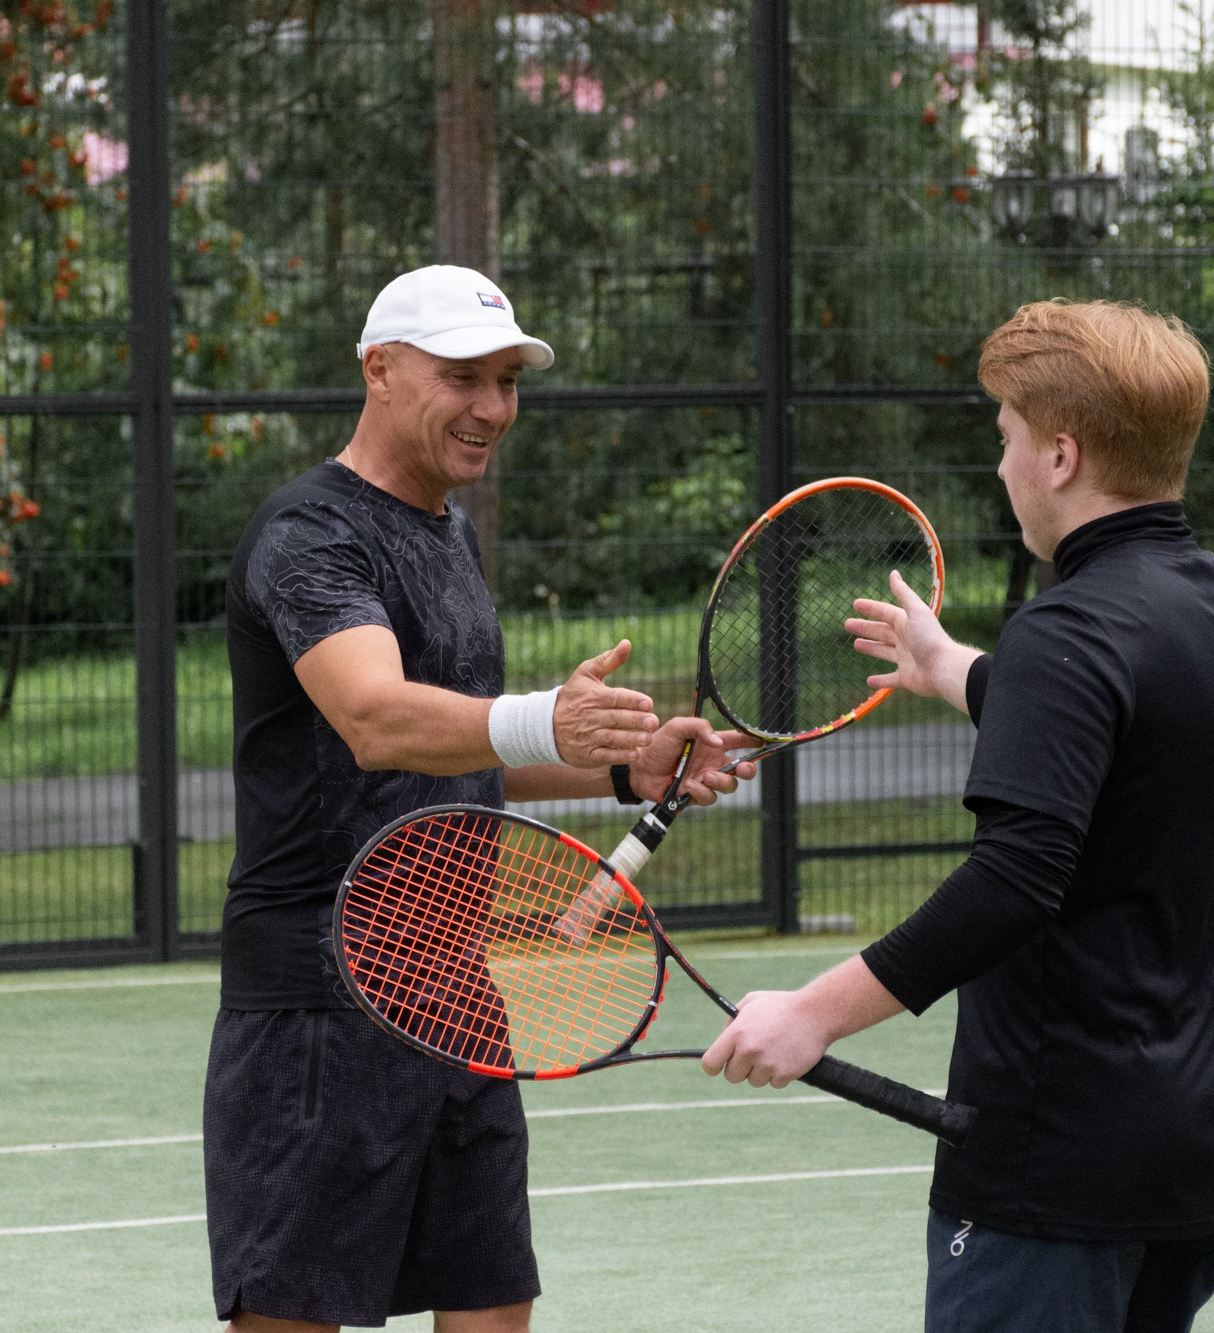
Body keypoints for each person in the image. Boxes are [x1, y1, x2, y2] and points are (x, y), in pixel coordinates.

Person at [701, 298, 1214, 1333]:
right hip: (1202, 1142)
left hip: (1053, 1155)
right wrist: (956, 668)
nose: (1002, 462)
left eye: (1006, 437)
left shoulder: (1063, 633)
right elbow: (1125, 732)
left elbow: (1014, 879)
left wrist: (811, 1012)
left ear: (1059, 455)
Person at [207, 264, 752, 1333]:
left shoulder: (447, 531)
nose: (492, 408)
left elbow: (459, 747)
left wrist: (620, 768)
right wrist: (546, 717)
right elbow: (374, 719)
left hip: (456, 992)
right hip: (320, 1001)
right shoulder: (310, 535)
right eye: (463, 377)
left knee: (493, 1307)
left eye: (506, 381)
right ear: (379, 370)